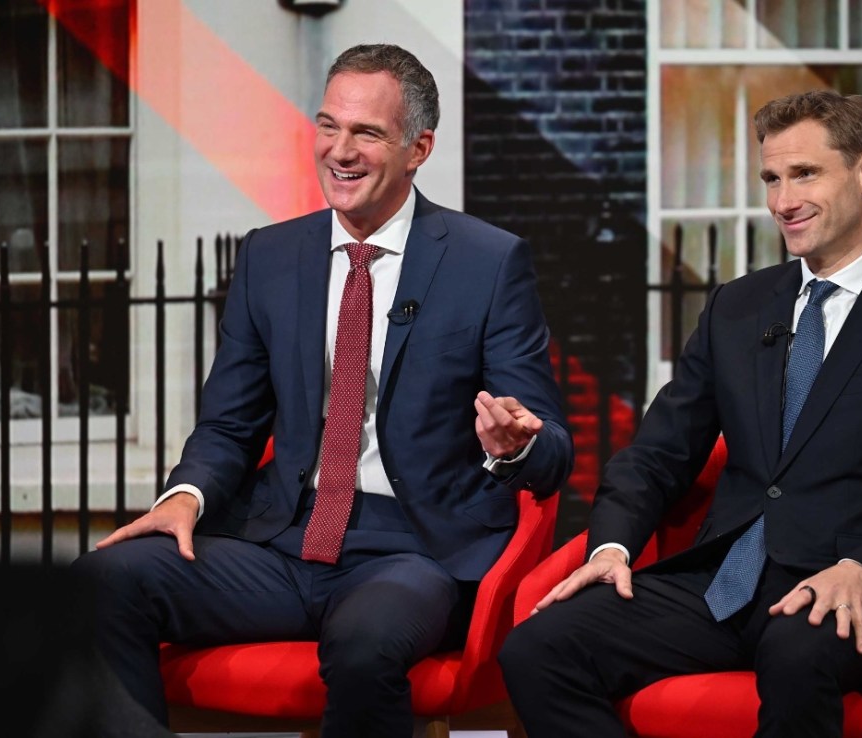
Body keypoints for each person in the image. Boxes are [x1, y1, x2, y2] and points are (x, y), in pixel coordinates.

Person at [72, 43, 572, 738]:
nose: (339, 150)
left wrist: (516, 445)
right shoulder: (270, 258)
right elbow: (228, 424)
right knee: (102, 581)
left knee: (365, 644)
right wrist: (184, 497)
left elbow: (552, 452)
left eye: (366, 132)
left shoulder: (487, 262)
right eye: (328, 125)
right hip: (281, 542)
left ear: (418, 148)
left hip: (412, 552)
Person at [499, 89, 862, 738]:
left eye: (803, 174)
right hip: (720, 582)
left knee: (795, 655)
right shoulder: (737, 308)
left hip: (835, 586)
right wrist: (613, 546)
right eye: (770, 178)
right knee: (538, 647)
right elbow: (658, 453)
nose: (780, 202)